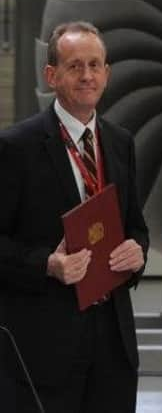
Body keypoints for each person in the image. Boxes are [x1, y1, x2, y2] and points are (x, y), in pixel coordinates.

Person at [0, 21, 148, 413]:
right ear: (52, 76)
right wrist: (48, 264)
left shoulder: (121, 143)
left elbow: (135, 227)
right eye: (75, 66)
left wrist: (139, 254)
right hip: (45, 350)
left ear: (107, 73)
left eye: (95, 65)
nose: (87, 76)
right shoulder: (16, 147)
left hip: (113, 348)